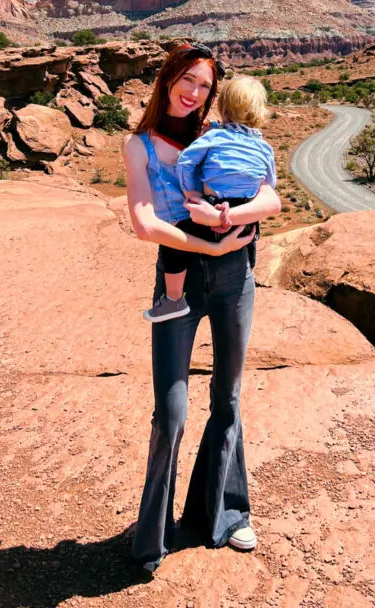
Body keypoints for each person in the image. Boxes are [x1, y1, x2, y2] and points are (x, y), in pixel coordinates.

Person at [123, 42, 281, 575]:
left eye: (204, 85)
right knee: (171, 412)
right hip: (182, 278)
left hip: (235, 276)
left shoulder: (221, 135)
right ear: (168, 78)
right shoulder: (139, 144)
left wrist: (225, 225)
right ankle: (153, 533)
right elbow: (145, 224)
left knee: (228, 398)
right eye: (186, 79)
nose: (193, 92)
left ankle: (227, 514)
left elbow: (270, 199)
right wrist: (209, 243)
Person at [144, 74, 276, 324]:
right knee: (246, 243)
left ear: (224, 107)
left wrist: (192, 192)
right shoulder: (264, 147)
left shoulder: (214, 137)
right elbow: (269, 183)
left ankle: (173, 299)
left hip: (212, 205)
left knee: (175, 243)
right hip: (245, 215)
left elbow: (186, 161)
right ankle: (245, 270)